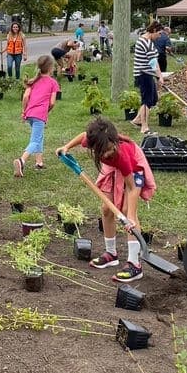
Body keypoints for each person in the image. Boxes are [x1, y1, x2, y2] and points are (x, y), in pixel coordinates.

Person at [56, 116, 156, 284]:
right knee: (106, 209)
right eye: (104, 151)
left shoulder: (121, 153)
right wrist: (66, 147)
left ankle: (135, 264)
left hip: (133, 167)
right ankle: (111, 254)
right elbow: (83, 136)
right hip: (112, 166)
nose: (108, 152)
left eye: (110, 148)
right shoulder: (95, 140)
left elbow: (132, 188)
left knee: (127, 213)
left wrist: (130, 217)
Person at [14, 55, 59, 176]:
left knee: (39, 136)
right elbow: (52, 102)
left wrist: (24, 111)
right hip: (39, 115)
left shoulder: (33, 81)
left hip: (30, 114)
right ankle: (21, 160)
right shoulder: (53, 83)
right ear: (51, 68)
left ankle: (39, 162)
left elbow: (25, 97)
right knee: (35, 140)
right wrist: (46, 111)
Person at [131, 22, 165, 135]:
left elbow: (154, 60)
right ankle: (144, 127)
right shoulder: (146, 42)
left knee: (153, 99)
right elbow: (153, 63)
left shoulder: (146, 41)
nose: (159, 36)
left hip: (147, 73)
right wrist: (160, 77)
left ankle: (137, 120)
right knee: (146, 100)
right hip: (143, 74)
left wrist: (159, 75)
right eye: (159, 33)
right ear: (154, 30)